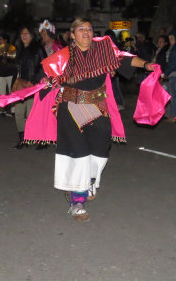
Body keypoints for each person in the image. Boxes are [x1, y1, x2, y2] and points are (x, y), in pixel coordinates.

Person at [34, 17, 153, 221]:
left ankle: (87, 181)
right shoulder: (63, 56)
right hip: (71, 107)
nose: (86, 32)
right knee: (79, 154)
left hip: (97, 106)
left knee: (100, 151)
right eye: (81, 29)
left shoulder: (103, 49)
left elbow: (124, 58)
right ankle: (77, 201)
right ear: (72, 35)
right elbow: (43, 73)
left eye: (89, 29)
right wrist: (32, 83)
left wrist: (147, 64)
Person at [12, 26, 46, 149]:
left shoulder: (38, 49)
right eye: (22, 34)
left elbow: (44, 66)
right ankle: (23, 138)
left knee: (33, 114)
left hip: (34, 86)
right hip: (21, 85)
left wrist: (34, 81)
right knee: (19, 113)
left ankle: (41, 140)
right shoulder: (19, 49)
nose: (24, 36)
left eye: (27, 33)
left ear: (32, 35)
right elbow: (17, 69)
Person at [162, 31, 176, 121]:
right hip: (173, 73)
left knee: (174, 95)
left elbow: (173, 63)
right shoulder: (173, 48)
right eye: (170, 39)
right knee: (173, 94)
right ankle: (175, 114)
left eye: (172, 38)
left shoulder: (175, 49)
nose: (170, 40)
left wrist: (165, 73)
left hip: (174, 73)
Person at [0, 33, 17, 102]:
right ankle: (3, 108)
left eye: (0, 39)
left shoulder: (12, 48)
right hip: (1, 74)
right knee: (2, 94)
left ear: (5, 40)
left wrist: (6, 57)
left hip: (10, 73)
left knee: (12, 92)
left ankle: (13, 111)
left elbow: (14, 60)